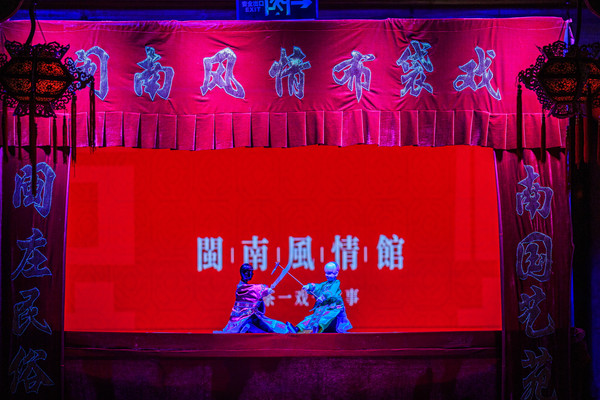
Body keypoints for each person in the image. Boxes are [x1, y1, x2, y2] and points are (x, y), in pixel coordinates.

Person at [217, 263, 294, 333]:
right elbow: (254, 289)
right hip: (244, 319)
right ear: (245, 273)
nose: (253, 273)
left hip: (245, 318)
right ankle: (285, 331)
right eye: (251, 271)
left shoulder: (242, 287)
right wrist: (266, 289)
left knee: (270, 323)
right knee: (269, 326)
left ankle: (286, 329)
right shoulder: (244, 288)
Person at [295, 261, 352, 333]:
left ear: (336, 273)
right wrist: (309, 287)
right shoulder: (324, 284)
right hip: (323, 307)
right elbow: (317, 287)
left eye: (330, 273)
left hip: (333, 308)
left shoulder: (336, 283)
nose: (327, 275)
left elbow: (331, 291)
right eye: (326, 273)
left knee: (325, 317)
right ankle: (298, 328)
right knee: (311, 318)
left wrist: (323, 297)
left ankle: (318, 328)